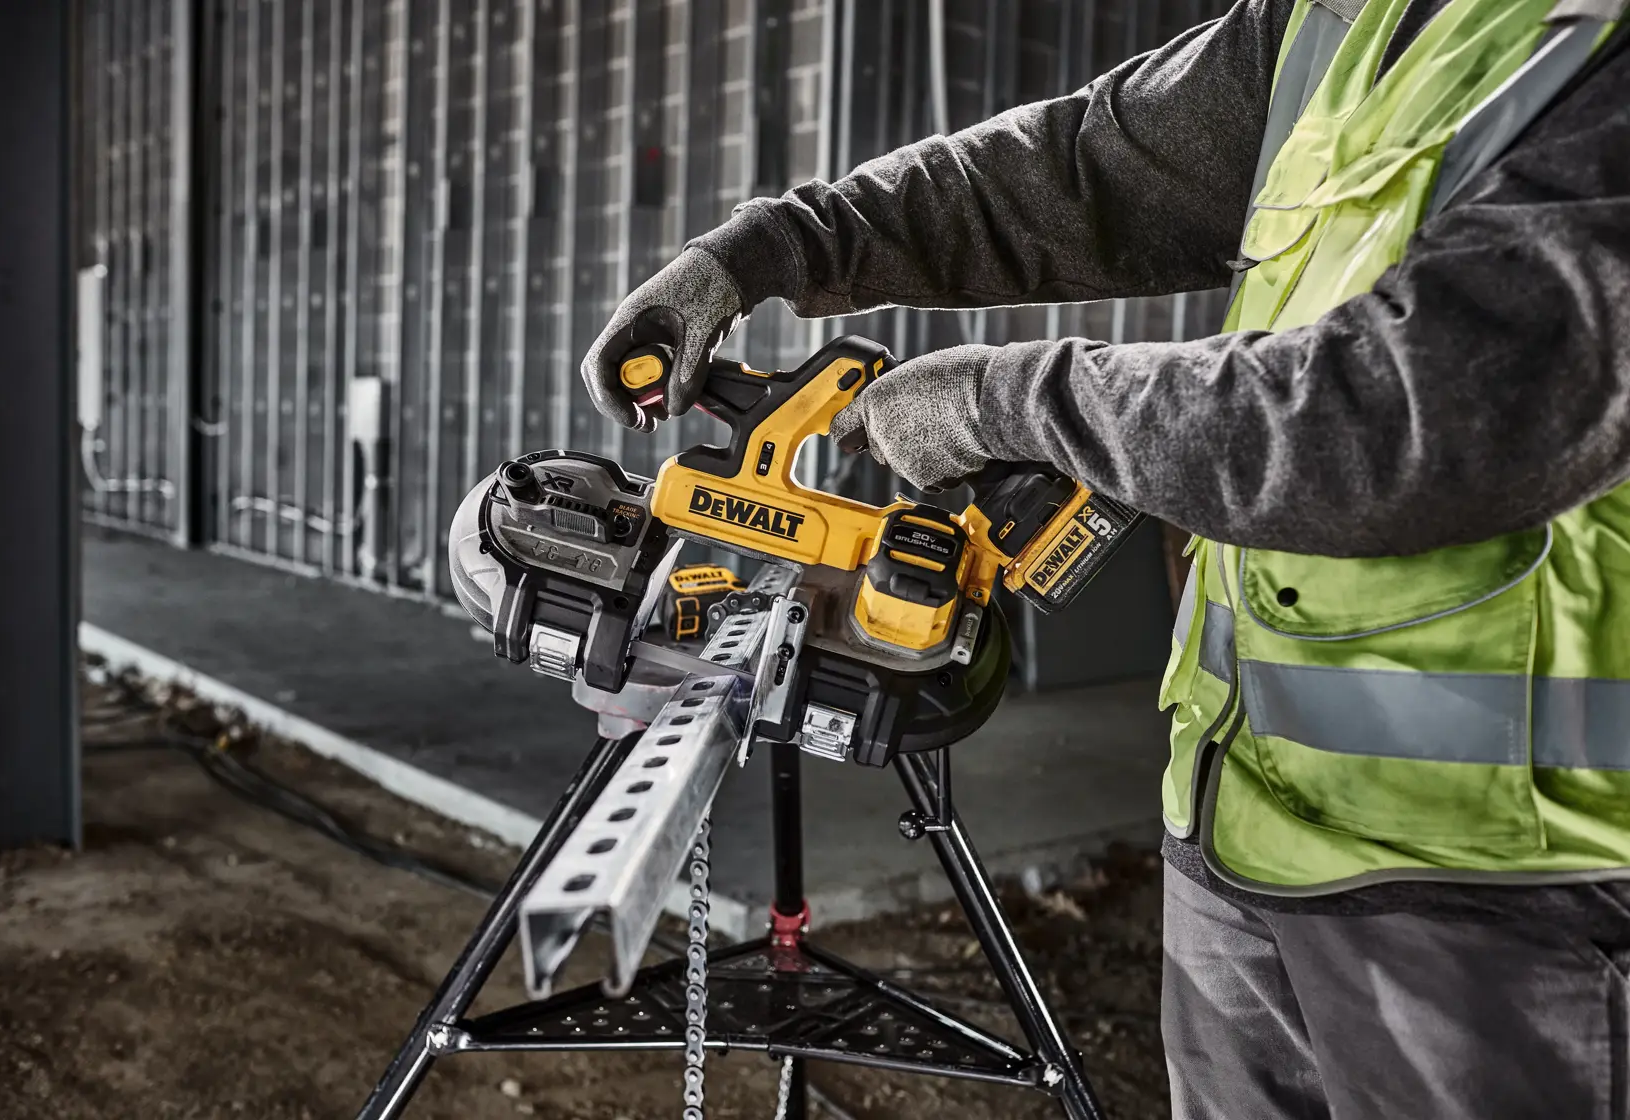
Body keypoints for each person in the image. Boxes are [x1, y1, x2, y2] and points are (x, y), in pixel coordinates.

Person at [580, 1, 1630, 1117]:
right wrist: (773, 247)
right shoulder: (1337, 24)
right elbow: (1072, 171)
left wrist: (1011, 405)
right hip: (1236, 828)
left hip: (1510, 895)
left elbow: (1409, 420)